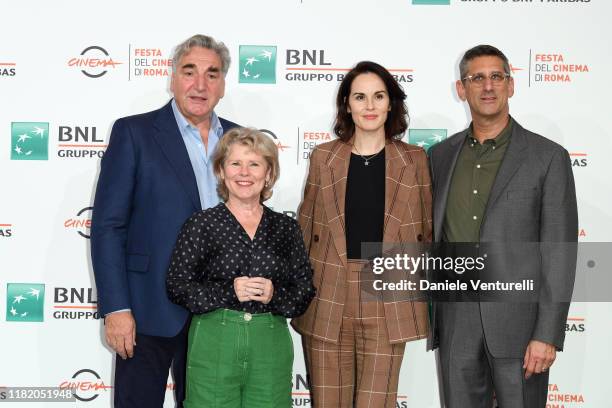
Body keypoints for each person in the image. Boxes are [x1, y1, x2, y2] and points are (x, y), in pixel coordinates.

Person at [90, 34, 240, 407]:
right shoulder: (134, 133)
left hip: (219, 312)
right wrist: (117, 309)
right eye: (189, 72)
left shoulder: (239, 140)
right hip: (146, 310)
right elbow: (108, 226)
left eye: (212, 74)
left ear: (222, 84)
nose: (200, 84)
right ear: (172, 78)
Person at [428, 44, 578, 407]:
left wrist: (547, 334)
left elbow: (559, 253)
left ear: (511, 85)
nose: (488, 86)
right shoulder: (440, 156)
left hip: (521, 325)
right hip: (456, 320)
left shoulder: (548, 157)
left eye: (497, 76)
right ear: (461, 89)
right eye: (476, 78)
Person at [291, 61, 432, 408]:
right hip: (328, 296)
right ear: (347, 104)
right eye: (360, 97)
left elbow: (427, 233)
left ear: (391, 103)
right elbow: (305, 230)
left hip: (386, 295)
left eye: (378, 96)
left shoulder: (415, 160)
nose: (369, 106)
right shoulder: (324, 157)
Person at [166, 127, 316, 407]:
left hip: (269, 341)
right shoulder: (201, 224)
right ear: (222, 171)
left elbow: (304, 291)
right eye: (235, 163)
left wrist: (275, 295)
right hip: (215, 339)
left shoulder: (286, 228)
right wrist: (227, 291)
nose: (244, 173)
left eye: (254, 164)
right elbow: (178, 286)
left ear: (269, 174)